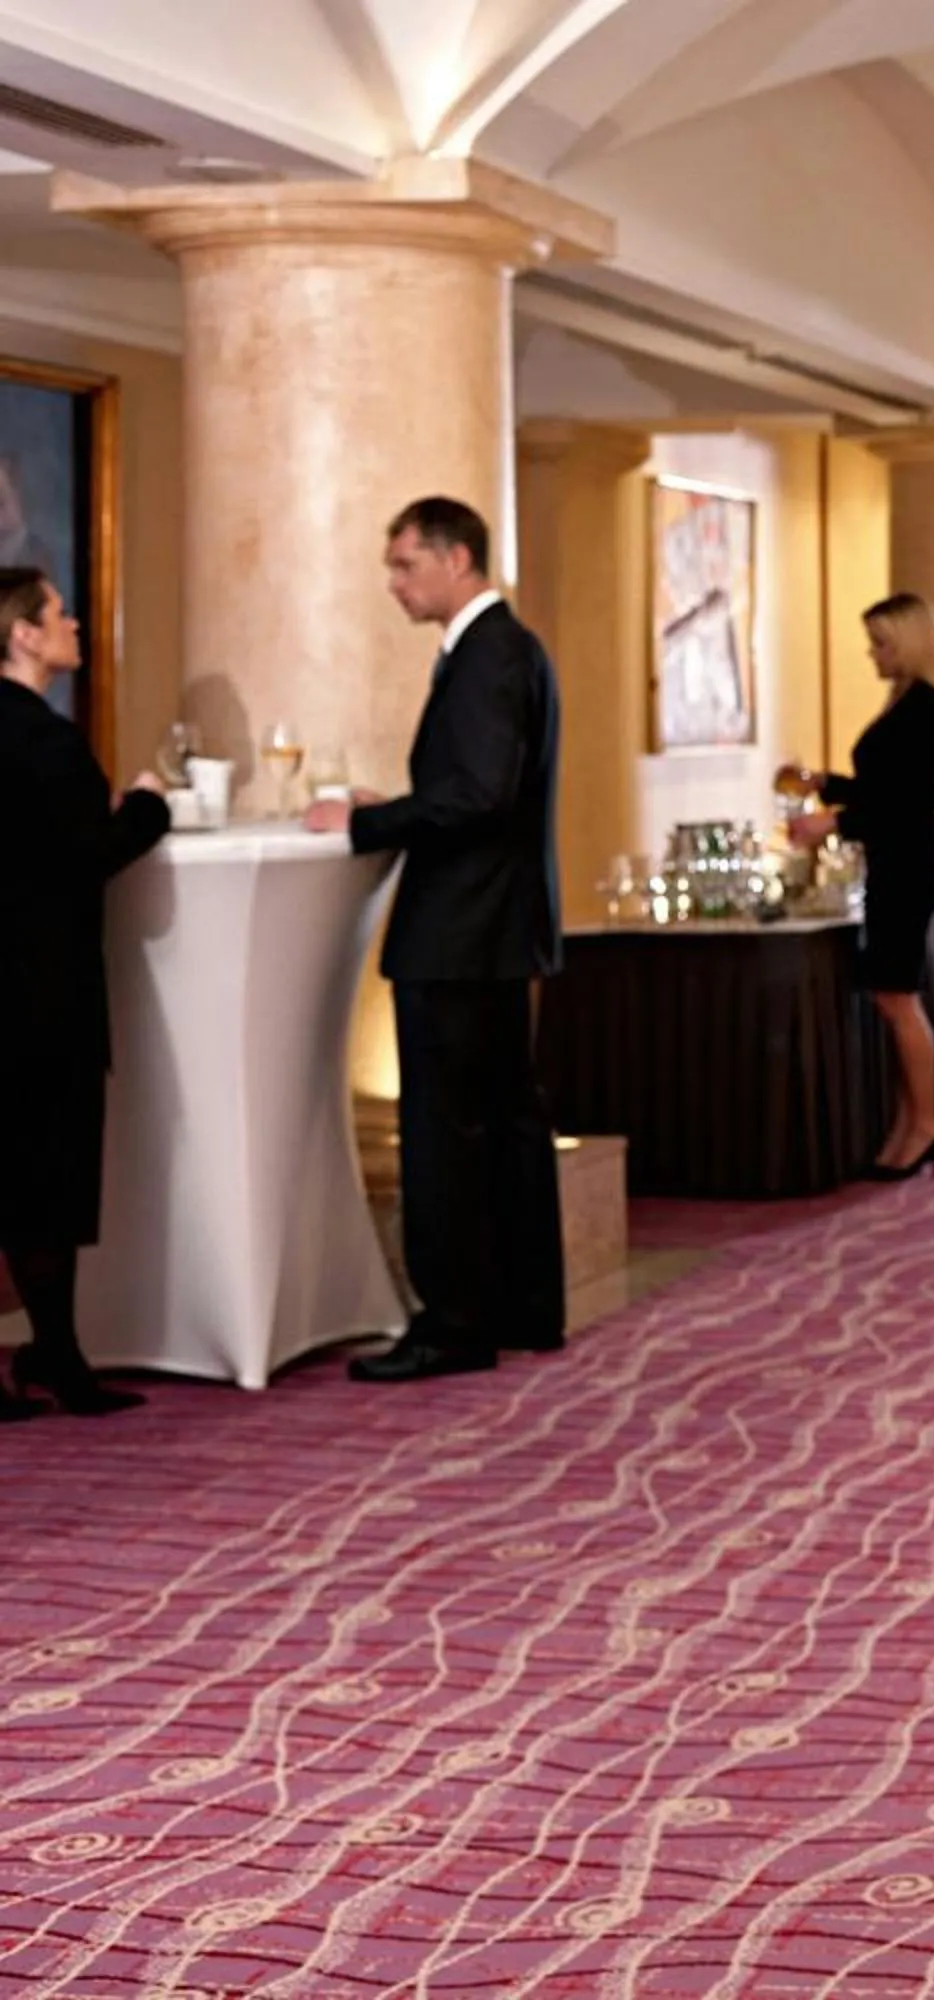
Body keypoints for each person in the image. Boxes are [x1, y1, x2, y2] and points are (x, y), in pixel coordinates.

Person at [306, 497, 568, 1380]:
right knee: (507, 1121)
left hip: (462, 932)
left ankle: (453, 1324)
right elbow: (483, 786)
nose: (394, 584)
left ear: (457, 559)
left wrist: (362, 824)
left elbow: (480, 795)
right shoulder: (510, 648)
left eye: (405, 564)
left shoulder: (487, 653)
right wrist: (404, 807)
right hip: (495, 929)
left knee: (447, 1131)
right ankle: (526, 1307)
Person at [0, 568, 165, 1417]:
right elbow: (90, 854)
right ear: (23, 634)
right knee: (46, 1181)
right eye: (59, 613)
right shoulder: (47, 741)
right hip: (41, 991)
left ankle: (52, 1358)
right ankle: (58, 1357)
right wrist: (149, 808)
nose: (74, 626)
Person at [777, 592, 934, 1181]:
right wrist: (824, 784)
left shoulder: (927, 708)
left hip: (908, 865)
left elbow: (910, 802)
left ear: (908, 643)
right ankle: (909, 1123)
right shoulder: (905, 701)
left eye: (880, 643)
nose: (872, 654)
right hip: (894, 863)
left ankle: (925, 1124)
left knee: (897, 998)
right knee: (892, 996)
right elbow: (882, 787)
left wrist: (832, 822)